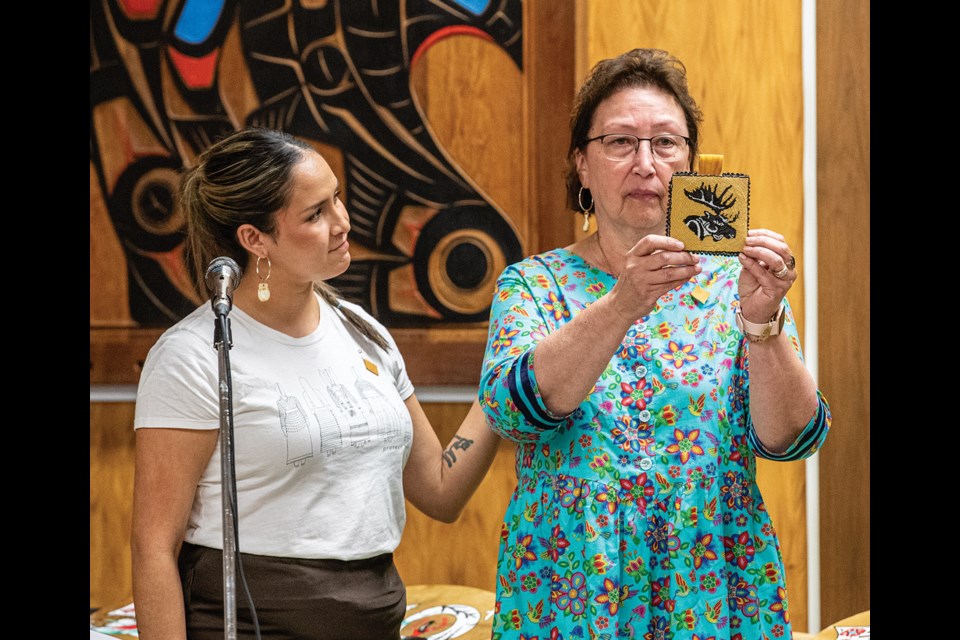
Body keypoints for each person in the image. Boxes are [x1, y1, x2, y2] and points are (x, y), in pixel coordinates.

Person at [477, 48, 831, 639]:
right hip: (574, 582)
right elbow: (512, 413)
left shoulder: (735, 285)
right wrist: (624, 301)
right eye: (619, 142)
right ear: (582, 167)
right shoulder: (534, 285)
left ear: (693, 163)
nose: (646, 163)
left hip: (711, 574)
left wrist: (764, 321)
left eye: (666, 143)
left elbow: (791, 439)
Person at [130, 127, 500, 640]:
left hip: (375, 616)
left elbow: (439, 490)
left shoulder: (364, 331)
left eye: (337, 199)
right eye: (315, 213)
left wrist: (509, 381)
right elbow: (154, 546)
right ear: (254, 239)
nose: (343, 223)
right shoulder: (193, 356)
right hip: (254, 622)